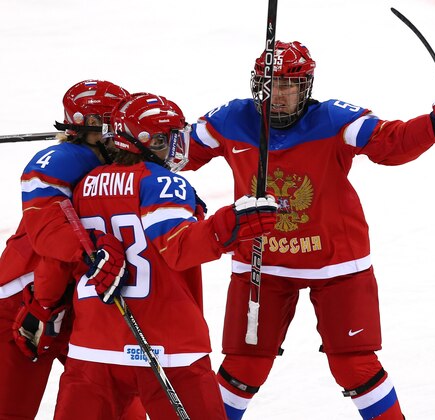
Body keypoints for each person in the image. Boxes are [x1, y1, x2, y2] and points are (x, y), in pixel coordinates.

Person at [185, 40, 435, 420]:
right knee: (242, 367)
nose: (278, 95)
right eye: (271, 84)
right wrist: (119, 143)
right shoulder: (230, 120)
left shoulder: (335, 119)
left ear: (307, 87)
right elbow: (175, 152)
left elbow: (392, 143)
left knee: (355, 366)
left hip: (337, 263)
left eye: (289, 86)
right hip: (262, 264)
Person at [52, 93, 278, 420]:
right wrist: (233, 223)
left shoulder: (84, 183)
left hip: (93, 347)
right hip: (167, 346)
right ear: (151, 140)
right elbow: (179, 248)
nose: (178, 146)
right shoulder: (163, 182)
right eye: (171, 137)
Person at [0, 80, 147, 419]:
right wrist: (92, 252)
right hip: (24, 300)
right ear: (86, 125)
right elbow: (48, 229)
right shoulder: (67, 158)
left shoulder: (120, 163)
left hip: (87, 301)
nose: (121, 128)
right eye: (110, 122)